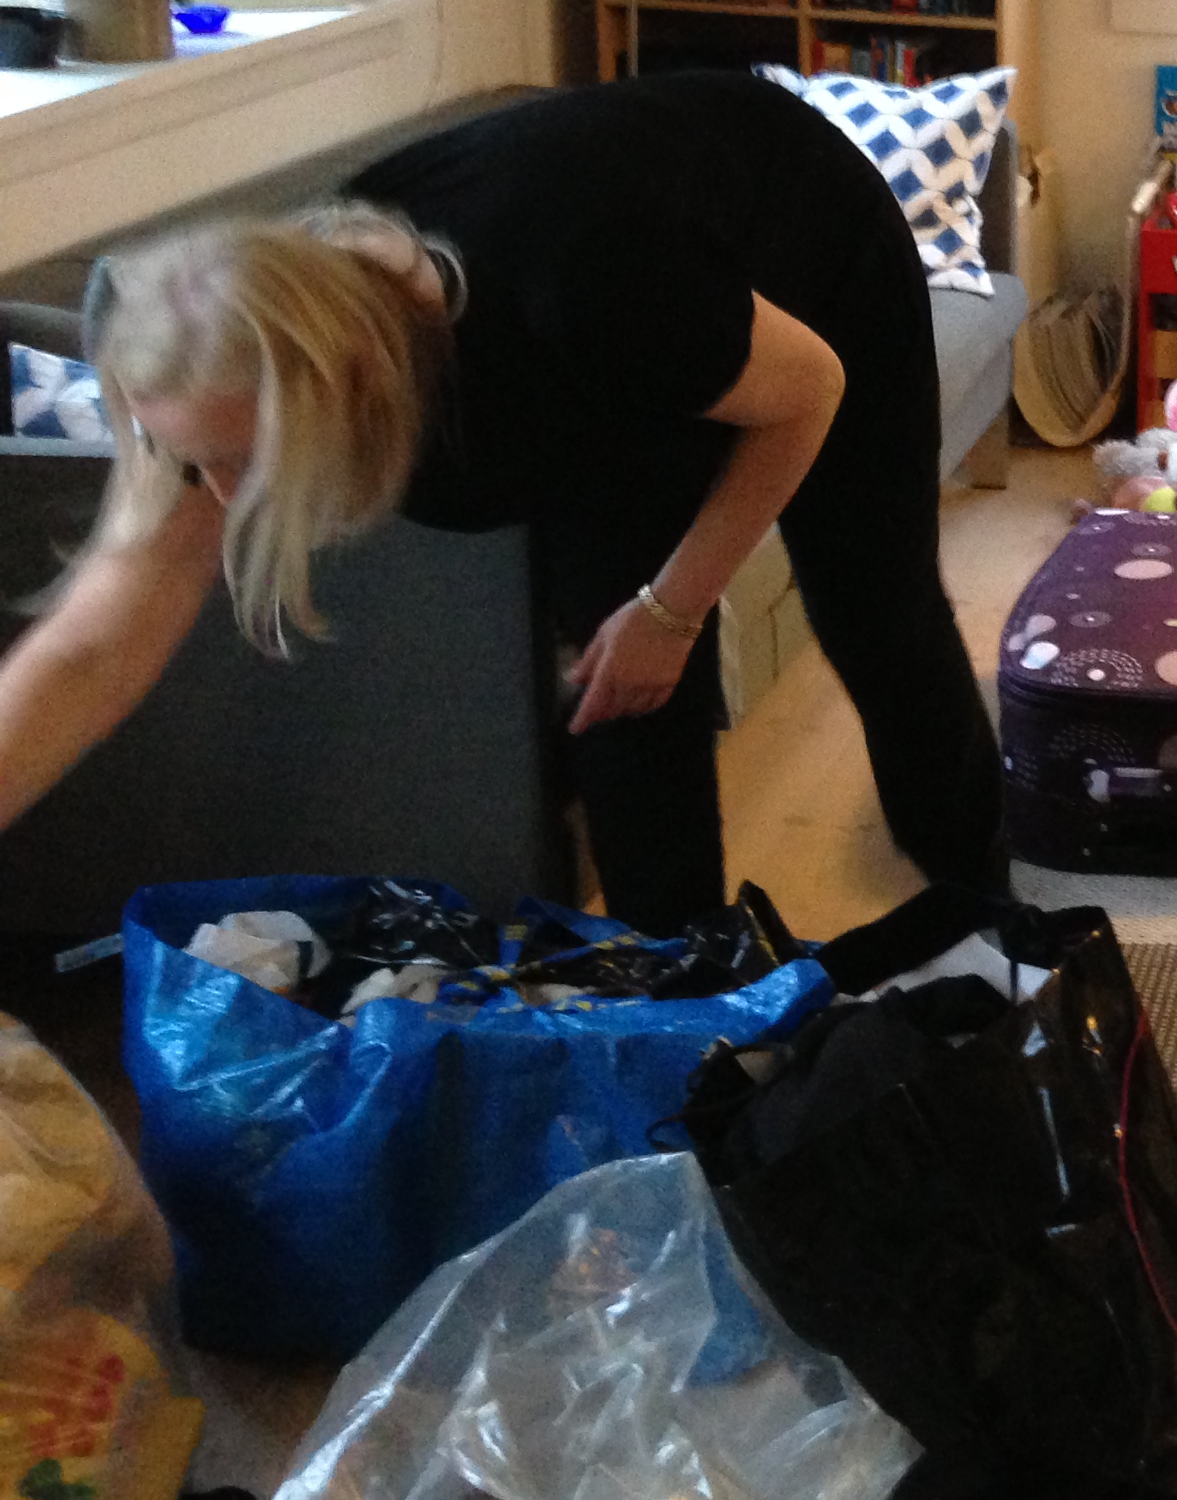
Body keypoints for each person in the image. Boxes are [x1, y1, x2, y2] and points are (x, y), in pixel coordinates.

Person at [0, 73, 1003, 931]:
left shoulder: (583, 283)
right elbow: (91, 652)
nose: (222, 495)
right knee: (623, 705)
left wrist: (675, 607)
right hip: (607, 357)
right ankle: (683, 1013)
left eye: (242, 460)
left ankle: (996, 918)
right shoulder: (227, 365)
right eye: (197, 462)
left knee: (876, 614)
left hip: (804, 250)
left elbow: (810, 390)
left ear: (346, 398)